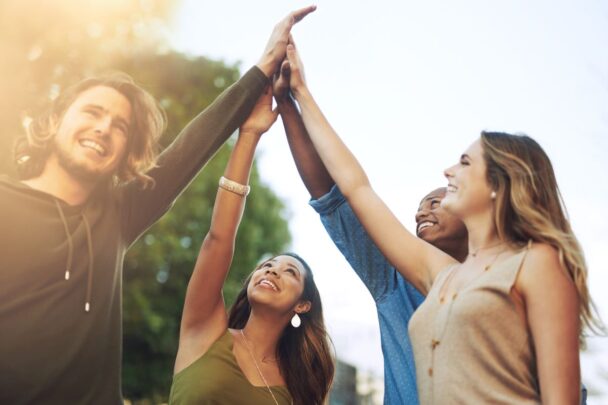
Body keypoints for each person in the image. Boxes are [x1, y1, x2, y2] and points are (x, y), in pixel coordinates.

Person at [0, 7, 316, 404]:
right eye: (93, 113)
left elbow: (190, 148)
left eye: (121, 126)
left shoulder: (116, 214)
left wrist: (263, 66)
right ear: (56, 119)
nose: (104, 128)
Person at [279, 40, 603, 404]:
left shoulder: (537, 264)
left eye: (465, 163)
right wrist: (299, 95)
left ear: (500, 183)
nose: (449, 171)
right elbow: (356, 189)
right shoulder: (442, 274)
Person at [272, 60, 467, 404]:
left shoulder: (506, 281)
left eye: (438, 200)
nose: (423, 209)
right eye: (421, 204)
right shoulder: (393, 281)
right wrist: (287, 105)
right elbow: (332, 195)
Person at [167, 85, 333, 405]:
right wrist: (250, 134)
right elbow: (219, 238)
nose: (272, 269)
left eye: (291, 273)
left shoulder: (300, 387)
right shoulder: (206, 332)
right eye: (268, 264)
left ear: (302, 305)